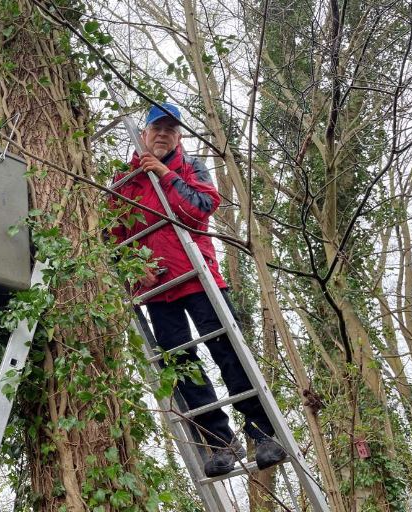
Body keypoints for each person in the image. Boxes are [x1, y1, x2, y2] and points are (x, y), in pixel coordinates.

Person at [110, 103, 286, 477]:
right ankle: (220, 442)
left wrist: (165, 175)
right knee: (182, 366)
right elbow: (116, 234)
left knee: (228, 353)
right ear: (143, 133)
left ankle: (265, 434)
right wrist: (133, 270)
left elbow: (200, 208)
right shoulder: (123, 182)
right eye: (156, 128)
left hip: (198, 277)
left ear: (179, 137)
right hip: (158, 289)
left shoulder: (190, 169)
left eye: (170, 130)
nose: (162, 135)